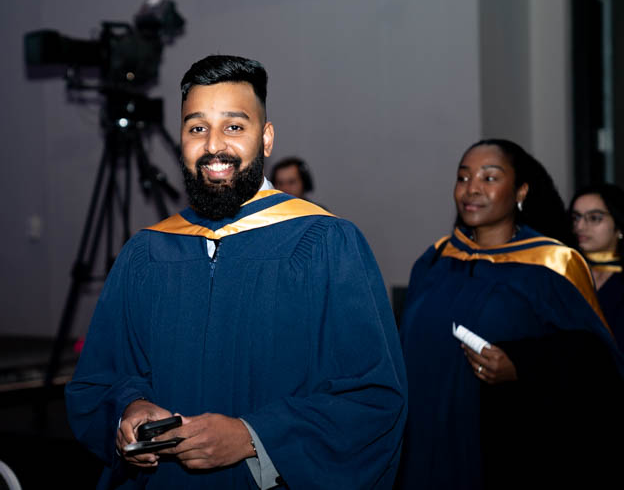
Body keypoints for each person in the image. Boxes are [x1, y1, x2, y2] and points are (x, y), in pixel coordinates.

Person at [65, 55, 407, 489]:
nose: (213, 146)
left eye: (233, 126)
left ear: (265, 139)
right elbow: (98, 381)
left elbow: (373, 399)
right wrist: (130, 410)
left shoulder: (325, 244)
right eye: (196, 128)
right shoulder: (147, 253)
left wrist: (254, 438)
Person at [396, 139, 624, 489]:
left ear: (521, 190)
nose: (472, 189)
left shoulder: (553, 265)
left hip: (503, 452)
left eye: (489, 178)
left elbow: (596, 361)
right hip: (423, 445)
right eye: (463, 177)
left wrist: (522, 364)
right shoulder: (436, 260)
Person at [570, 183, 624, 351]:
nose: (579, 227)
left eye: (594, 218)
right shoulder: (565, 272)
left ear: (619, 226)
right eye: (576, 217)